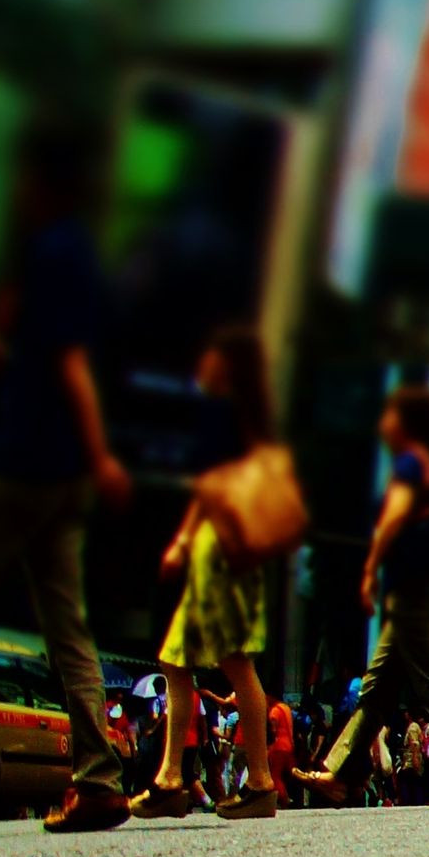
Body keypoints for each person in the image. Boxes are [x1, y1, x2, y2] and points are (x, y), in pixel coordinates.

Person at [0, 121, 133, 832]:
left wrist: (100, 452)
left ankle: (100, 780)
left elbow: (70, 362)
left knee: (67, 625)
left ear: (41, 183)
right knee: (68, 628)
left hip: (28, 462)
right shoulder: (79, 254)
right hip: (65, 476)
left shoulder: (52, 251)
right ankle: (99, 779)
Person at [293, 388, 429, 810]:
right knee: (377, 690)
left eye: (388, 416)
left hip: (412, 592)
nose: (382, 424)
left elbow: (395, 516)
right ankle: (341, 775)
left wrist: (370, 568)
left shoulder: (409, 464)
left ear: (404, 423)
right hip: (420, 589)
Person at [136, 329, 290, 821]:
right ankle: (170, 778)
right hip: (225, 550)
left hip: (221, 550)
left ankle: (259, 782)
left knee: (234, 663)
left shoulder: (226, 416)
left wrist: (182, 539)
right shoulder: (249, 420)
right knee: (175, 660)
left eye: (210, 355)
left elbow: (211, 488)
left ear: (226, 365)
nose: (201, 362)